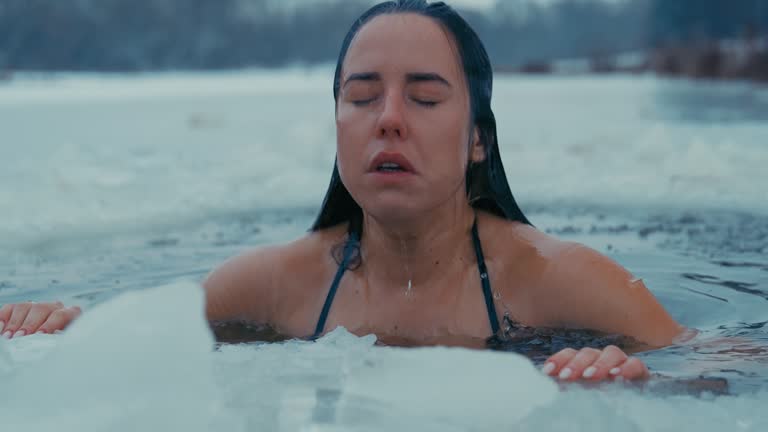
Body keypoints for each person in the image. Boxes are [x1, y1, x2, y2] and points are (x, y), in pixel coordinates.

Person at [0, 0, 686, 383]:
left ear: (479, 139)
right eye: (361, 97)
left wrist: (643, 381)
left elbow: (722, 365)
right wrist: (62, 329)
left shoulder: (560, 281)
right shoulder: (276, 283)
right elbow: (145, 337)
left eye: (423, 96)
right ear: (337, 127)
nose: (388, 117)